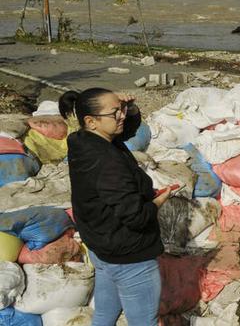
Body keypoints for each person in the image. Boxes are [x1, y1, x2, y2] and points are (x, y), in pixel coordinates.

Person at [60, 89, 172, 326]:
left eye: (121, 109)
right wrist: (159, 200)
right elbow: (137, 217)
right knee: (144, 322)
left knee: (104, 316)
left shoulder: (83, 141)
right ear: (91, 121)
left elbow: (128, 130)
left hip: (102, 248)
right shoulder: (108, 162)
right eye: (115, 112)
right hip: (130, 256)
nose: (121, 115)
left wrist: (128, 108)